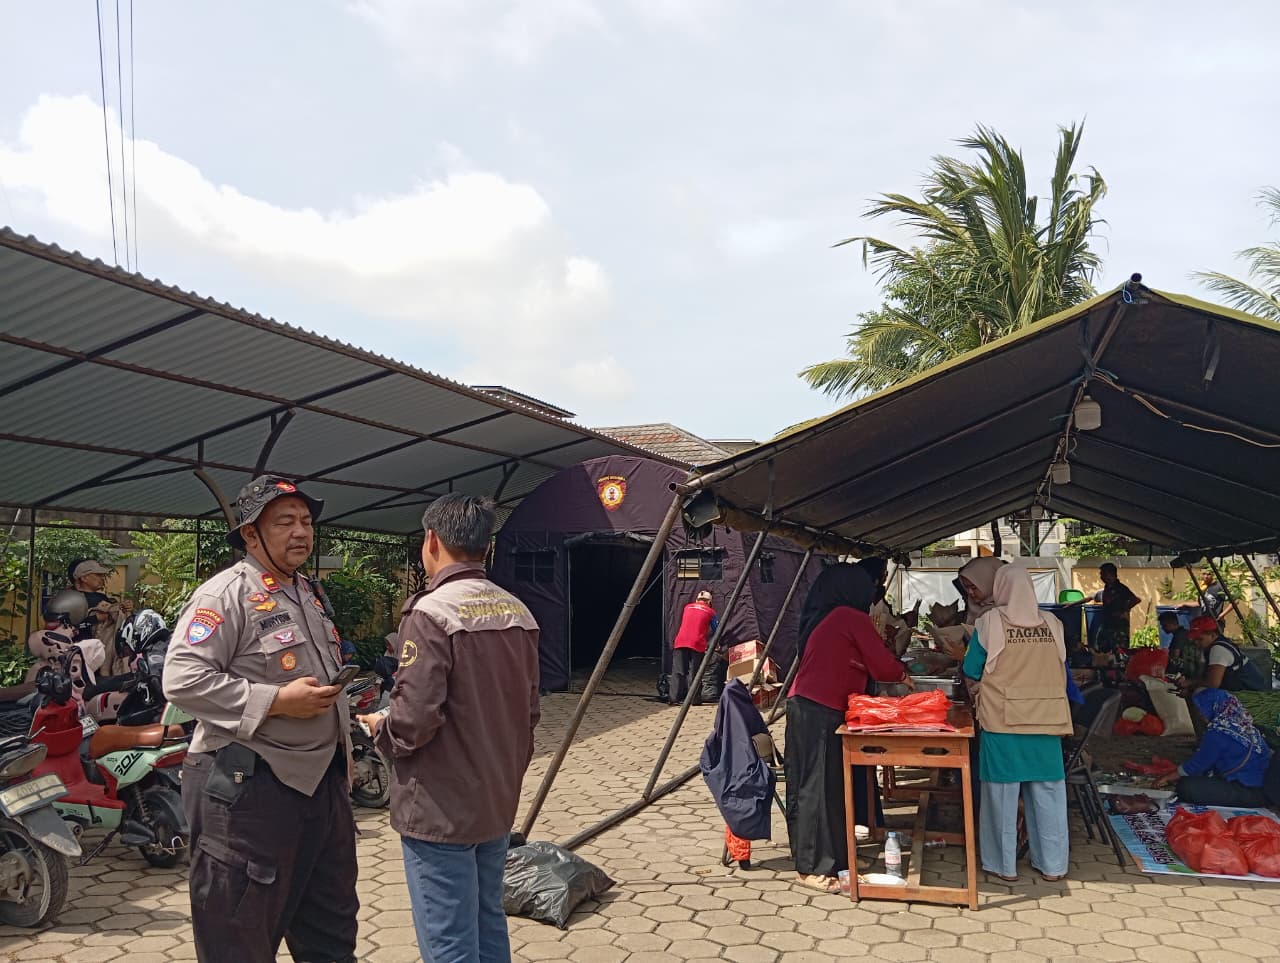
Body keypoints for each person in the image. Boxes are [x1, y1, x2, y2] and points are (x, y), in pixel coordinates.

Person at [164, 475, 356, 963]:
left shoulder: (305, 592)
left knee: (331, 936)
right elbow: (182, 680)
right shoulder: (225, 594)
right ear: (251, 534)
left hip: (320, 787)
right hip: (249, 790)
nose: (301, 532)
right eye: (285, 522)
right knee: (239, 939)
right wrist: (276, 701)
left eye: (306, 521)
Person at [359, 494, 540, 963]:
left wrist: (381, 728)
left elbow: (413, 720)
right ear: (487, 546)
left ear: (432, 540)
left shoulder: (431, 613)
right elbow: (530, 712)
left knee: (449, 942)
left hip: (439, 805)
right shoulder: (518, 612)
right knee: (488, 922)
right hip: (496, 797)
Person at [784, 563, 911, 893]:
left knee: (831, 789)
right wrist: (903, 675)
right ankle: (811, 868)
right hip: (817, 710)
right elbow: (882, 665)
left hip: (817, 709)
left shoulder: (830, 616)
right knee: (817, 790)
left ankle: (838, 859)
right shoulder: (848, 617)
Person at [963, 564, 1074, 883]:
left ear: (1000, 588)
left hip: (1004, 721)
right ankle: (1053, 866)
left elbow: (971, 669)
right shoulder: (1053, 623)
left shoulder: (989, 622)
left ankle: (1003, 866)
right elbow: (1062, 665)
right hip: (1048, 720)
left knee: (1001, 797)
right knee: (1049, 796)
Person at [1152, 689, 1273, 806]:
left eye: (1201, 709)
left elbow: (1197, 765)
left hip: (1248, 791)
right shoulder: (1245, 726)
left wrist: (1169, 777)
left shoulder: (1218, 732)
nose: (1200, 714)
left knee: (1186, 786)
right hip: (1262, 786)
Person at [1188, 615, 1268, 692]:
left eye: (1199, 639)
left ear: (1212, 635)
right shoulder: (1213, 645)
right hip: (1238, 688)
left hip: (1248, 691)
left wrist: (1190, 684)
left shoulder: (1218, 649)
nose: (1196, 642)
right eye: (1194, 639)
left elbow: (1212, 684)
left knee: (1199, 692)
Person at [671, 590, 718, 705]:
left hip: (680, 641)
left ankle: (674, 698)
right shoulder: (711, 612)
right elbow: (717, 629)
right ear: (709, 602)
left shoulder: (687, 607)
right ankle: (694, 699)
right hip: (697, 643)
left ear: (697, 600)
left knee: (679, 671)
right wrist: (717, 644)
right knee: (695, 672)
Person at [1093, 562, 1141, 655]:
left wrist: (1124, 610)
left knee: (1120, 651)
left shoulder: (1120, 588)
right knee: (1103, 648)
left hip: (1119, 625)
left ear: (1110, 574)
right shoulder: (1107, 588)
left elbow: (1135, 599)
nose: (1101, 577)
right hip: (1107, 623)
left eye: (1103, 574)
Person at [1161, 611, 1201, 679]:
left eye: (1165, 625)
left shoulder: (1179, 636)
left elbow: (1175, 656)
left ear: (1172, 623)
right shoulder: (1182, 633)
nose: (1163, 628)